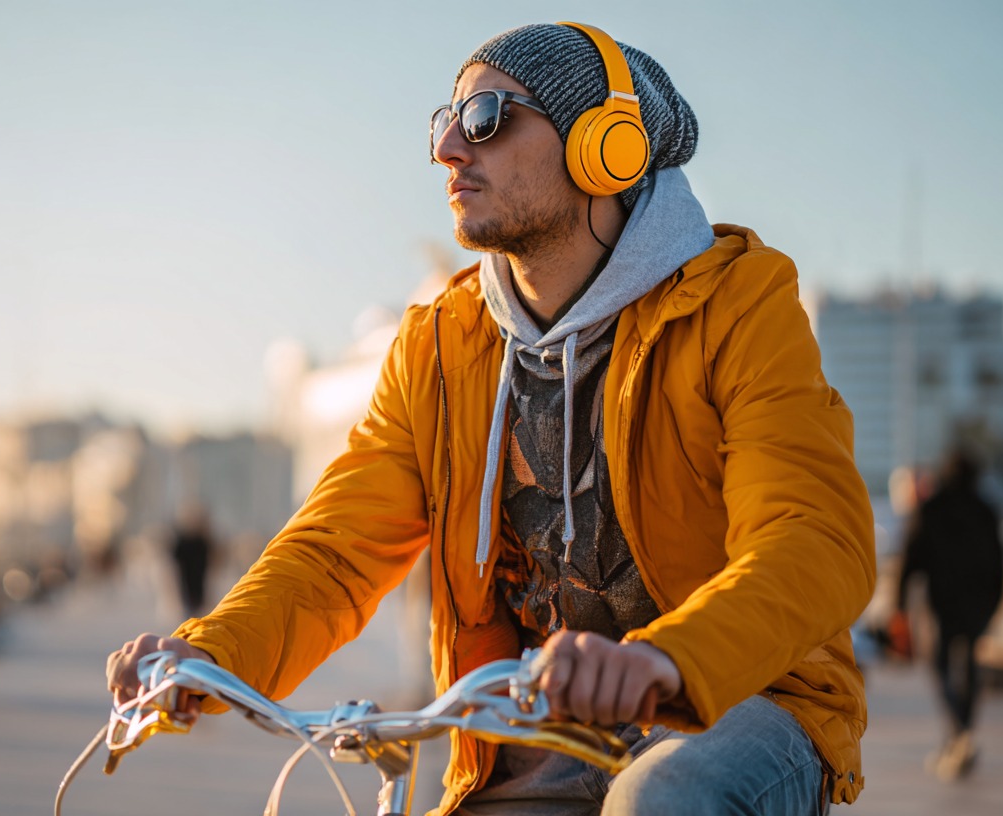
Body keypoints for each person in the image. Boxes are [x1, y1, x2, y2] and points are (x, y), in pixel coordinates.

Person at [107, 21, 875, 815]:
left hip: (741, 702)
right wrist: (211, 653)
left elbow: (814, 536)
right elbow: (336, 551)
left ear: (601, 146)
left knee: (664, 798)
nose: (448, 150)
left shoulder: (737, 304)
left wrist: (665, 661)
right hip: (544, 731)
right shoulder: (439, 346)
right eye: (444, 123)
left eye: (486, 120)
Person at [896, 449, 1003, 780]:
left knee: (941, 664)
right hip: (977, 603)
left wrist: (899, 604)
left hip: (942, 602)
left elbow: (910, 559)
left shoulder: (931, 508)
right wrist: (995, 602)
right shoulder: (986, 510)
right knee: (970, 663)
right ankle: (963, 729)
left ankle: (958, 729)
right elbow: (999, 562)